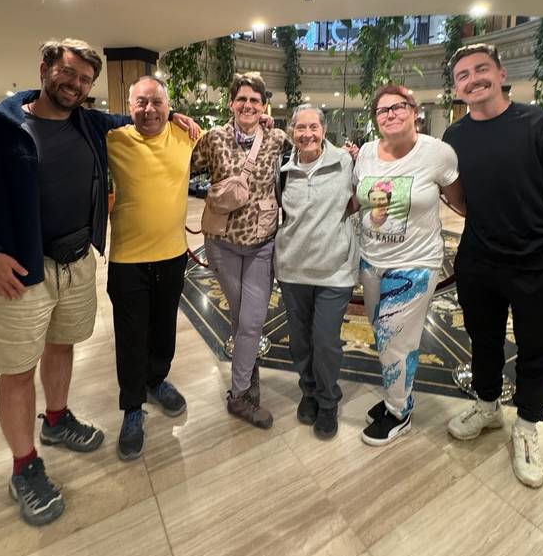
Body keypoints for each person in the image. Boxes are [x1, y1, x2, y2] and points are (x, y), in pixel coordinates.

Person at [0, 38, 196, 526]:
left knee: (62, 346)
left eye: (84, 80)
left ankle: (56, 420)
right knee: (17, 369)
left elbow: (143, 119)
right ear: (44, 68)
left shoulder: (90, 123)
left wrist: (178, 113)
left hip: (76, 262)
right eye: (68, 74)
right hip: (20, 269)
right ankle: (24, 465)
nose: (75, 85)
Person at [443, 43, 543, 488]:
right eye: (463, 75)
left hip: (539, 267)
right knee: (482, 341)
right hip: (479, 261)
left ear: (502, 73)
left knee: (535, 352)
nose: (473, 79)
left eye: (481, 69)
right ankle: (487, 406)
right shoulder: (455, 137)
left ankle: (527, 427)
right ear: (456, 88)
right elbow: (461, 197)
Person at [353, 84, 463, 446]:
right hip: (372, 261)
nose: (390, 114)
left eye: (398, 107)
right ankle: (396, 398)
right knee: (383, 334)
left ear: (414, 110)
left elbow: (462, 203)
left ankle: (399, 413)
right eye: (382, 110)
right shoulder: (367, 153)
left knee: (393, 337)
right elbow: (357, 201)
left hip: (416, 263)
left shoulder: (438, 154)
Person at [107, 75, 200, 460]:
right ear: (129, 107)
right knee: (131, 335)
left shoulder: (187, 136)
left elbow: (237, 131)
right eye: (141, 103)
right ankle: (132, 407)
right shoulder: (114, 138)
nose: (149, 110)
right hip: (127, 259)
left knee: (164, 328)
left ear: (168, 105)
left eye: (157, 103)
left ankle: (156, 380)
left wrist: (179, 115)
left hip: (173, 254)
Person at [192, 73, 288, 428]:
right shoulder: (213, 138)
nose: (248, 105)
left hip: (263, 245)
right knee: (242, 319)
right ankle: (247, 383)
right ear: (231, 103)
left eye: (255, 100)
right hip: (223, 245)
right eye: (241, 99)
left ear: (264, 106)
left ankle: (238, 394)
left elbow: (310, 146)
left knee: (250, 321)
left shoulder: (277, 138)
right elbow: (183, 165)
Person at [274, 106, 358, 439]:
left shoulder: (345, 162)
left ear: (323, 129)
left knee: (325, 341)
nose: (307, 133)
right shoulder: (283, 170)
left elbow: (359, 200)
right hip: (293, 269)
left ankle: (327, 401)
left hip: (334, 271)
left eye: (313, 127)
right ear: (292, 132)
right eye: (300, 128)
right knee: (300, 341)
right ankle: (308, 391)